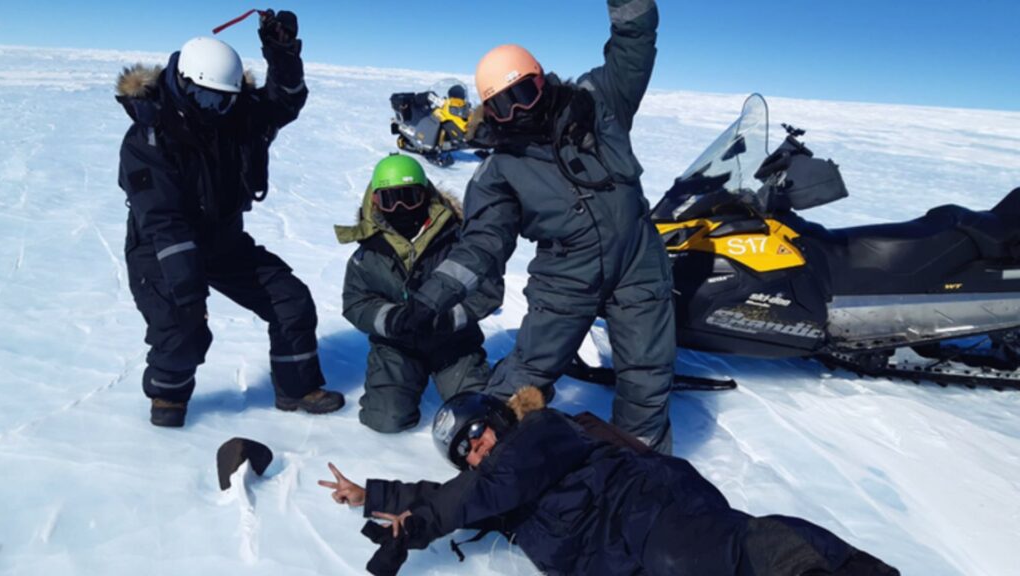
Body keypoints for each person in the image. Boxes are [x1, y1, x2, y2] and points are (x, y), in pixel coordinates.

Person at [385, 0, 677, 454]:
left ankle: (643, 470)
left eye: (525, 93)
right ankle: (491, 451)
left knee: (647, 374)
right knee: (528, 371)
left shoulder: (597, 104)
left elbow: (634, 44)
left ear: (543, 81)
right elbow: (481, 245)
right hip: (567, 278)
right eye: (501, 105)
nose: (518, 111)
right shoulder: (499, 172)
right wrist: (429, 300)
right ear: (489, 112)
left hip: (639, 263)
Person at [319, 390, 900, 576]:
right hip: (610, 561)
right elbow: (454, 496)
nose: (476, 449)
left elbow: (468, 497)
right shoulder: (492, 490)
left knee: (709, 551)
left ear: (499, 421)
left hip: (643, 511)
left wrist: (421, 525)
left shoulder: (539, 432)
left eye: (478, 433)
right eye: (464, 451)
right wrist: (374, 497)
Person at [115, 10, 344, 427]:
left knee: (289, 299)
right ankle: (167, 400)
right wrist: (190, 295)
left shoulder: (233, 113)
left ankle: (296, 389)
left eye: (224, 99)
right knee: (185, 330)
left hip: (222, 240)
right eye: (206, 98)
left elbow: (286, 98)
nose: (215, 109)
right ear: (183, 84)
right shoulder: (148, 138)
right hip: (160, 247)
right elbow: (163, 220)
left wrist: (282, 52)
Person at [335, 154, 504, 432]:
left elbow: (488, 289)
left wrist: (447, 320)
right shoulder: (368, 252)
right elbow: (355, 301)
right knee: (385, 421)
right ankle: (402, 383)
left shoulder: (458, 239)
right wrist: (391, 320)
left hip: (453, 343)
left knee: (477, 414)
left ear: (425, 195)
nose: (401, 207)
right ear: (376, 202)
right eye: (391, 199)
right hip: (397, 346)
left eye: (410, 196)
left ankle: (504, 377)